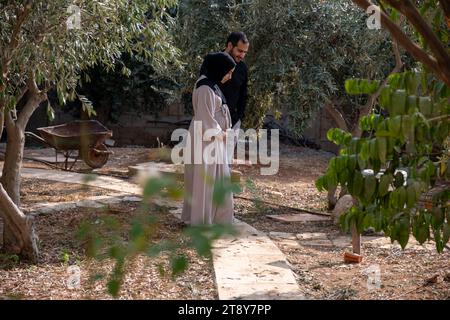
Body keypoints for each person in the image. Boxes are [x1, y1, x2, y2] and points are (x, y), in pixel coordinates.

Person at [181, 52, 236, 226]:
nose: (229, 76)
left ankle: (214, 217)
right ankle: (202, 219)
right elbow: (206, 120)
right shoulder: (205, 88)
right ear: (218, 69)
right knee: (206, 180)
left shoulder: (211, 84)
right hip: (206, 141)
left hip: (212, 140)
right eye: (228, 72)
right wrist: (224, 134)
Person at [201, 32, 249, 126]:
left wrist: (239, 116)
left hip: (233, 121)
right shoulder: (211, 61)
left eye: (245, 52)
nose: (242, 55)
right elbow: (203, 86)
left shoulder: (242, 68)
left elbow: (243, 94)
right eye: (240, 51)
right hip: (211, 120)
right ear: (230, 45)